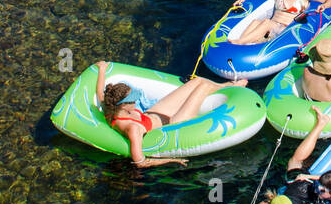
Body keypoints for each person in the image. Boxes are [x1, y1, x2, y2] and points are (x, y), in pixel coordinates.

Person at [94, 60, 240, 167]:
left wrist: (102, 69)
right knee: (203, 87)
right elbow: (140, 161)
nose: (136, 101)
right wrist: (171, 160)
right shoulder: (133, 128)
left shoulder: (110, 107)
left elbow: (101, 92)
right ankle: (234, 88)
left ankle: (226, 85)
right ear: (124, 106)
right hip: (174, 122)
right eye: (133, 100)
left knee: (198, 81)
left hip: (153, 113)